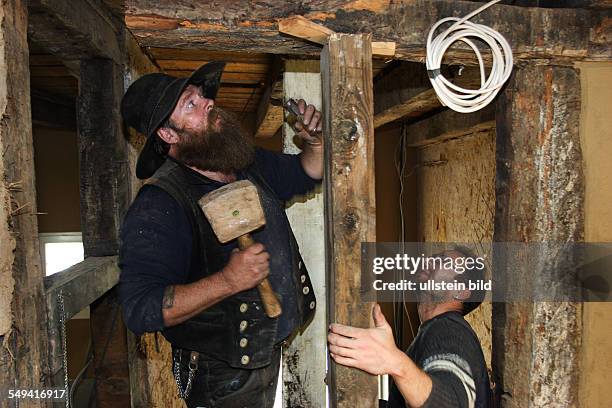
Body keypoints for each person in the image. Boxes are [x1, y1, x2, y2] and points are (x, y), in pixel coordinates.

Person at [118, 62, 323, 408]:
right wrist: (228, 281)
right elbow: (141, 308)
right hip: (222, 375)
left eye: (201, 95)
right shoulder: (161, 204)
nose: (207, 102)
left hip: (263, 353)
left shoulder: (241, 161)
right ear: (168, 135)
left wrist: (316, 142)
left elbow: (307, 171)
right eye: (190, 104)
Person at [328, 248, 491, 408]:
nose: (428, 260)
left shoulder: (450, 329)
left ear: (461, 292)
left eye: (442, 260)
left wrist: (394, 362)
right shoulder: (434, 330)